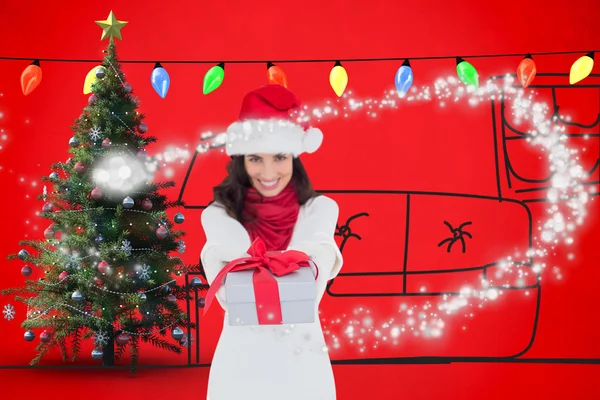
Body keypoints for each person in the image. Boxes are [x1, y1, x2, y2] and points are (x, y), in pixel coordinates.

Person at [200, 84, 343, 400]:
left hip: (302, 359)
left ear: (294, 156)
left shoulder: (320, 210)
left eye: (279, 157)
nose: (268, 172)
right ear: (241, 160)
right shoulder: (219, 215)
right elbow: (229, 295)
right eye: (255, 158)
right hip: (241, 358)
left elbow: (311, 283)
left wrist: (253, 270)